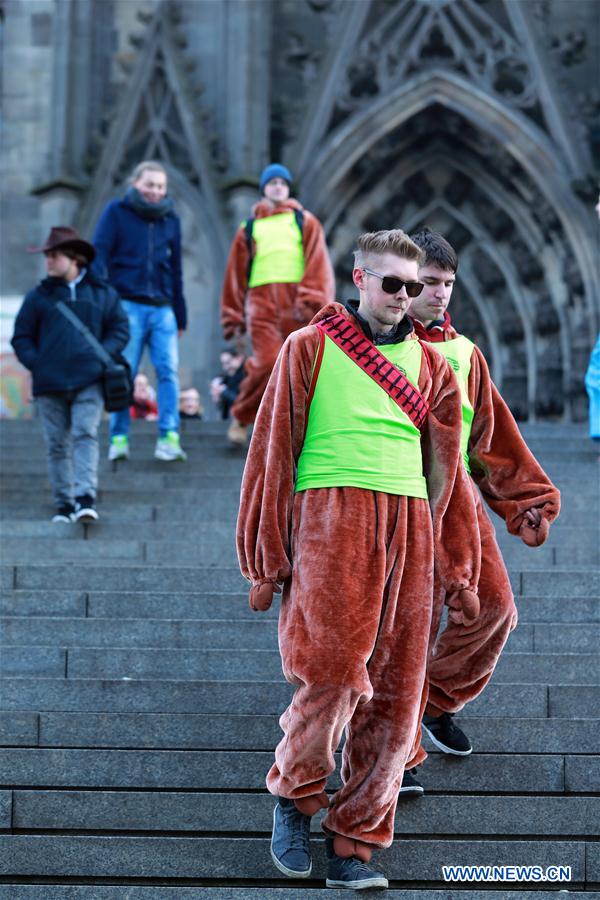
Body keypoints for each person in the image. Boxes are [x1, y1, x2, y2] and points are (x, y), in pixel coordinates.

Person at [237, 229, 482, 889]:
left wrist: (458, 567)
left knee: (399, 698)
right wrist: (265, 559)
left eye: (412, 286)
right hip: (330, 519)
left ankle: (355, 842)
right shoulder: (307, 348)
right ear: (359, 279)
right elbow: (272, 454)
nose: (403, 297)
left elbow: (449, 476)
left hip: (410, 526)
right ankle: (294, 796)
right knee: (334, 676)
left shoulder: (434, 368)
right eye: (390, 283)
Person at [408, 227, 560, 766]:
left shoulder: (466, 352)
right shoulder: (375, 344)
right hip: (402, 497)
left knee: (495, 606)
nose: (440, 293)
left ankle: (429, 701)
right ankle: (392, 749)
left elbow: (490, 440)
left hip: (462, 503)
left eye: (448, 283)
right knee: (408, 626)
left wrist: (526, 503)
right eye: (429, 282)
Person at [11, 226, 129, 523]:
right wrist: (38, 363)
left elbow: (120, 329)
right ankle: (63, 505)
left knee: (85, 434)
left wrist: (101, 357)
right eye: (47, 256)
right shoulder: (37, 297)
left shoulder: (103, 293)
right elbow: (21, 338)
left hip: (89, 380)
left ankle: (85, 499)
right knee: (57, 445)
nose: (48, 261)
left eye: (54, 255)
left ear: (75, 258)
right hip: (48, 384)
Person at [220, 163, 335, 445]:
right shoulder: (248, 228)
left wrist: (312, 298)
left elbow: (317, 261)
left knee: (304, 366)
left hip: (296, 304)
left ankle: (300, 428)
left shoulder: (305, 221)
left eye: (282, 183)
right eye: (272, 183)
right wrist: (232, 316)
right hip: (261, 305)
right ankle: (241, 415)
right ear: (263, 189)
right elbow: (235, 275)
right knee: (266, 363)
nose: (277, 187)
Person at [92, 159, 187, 462]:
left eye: (160, 186)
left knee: (168, 372)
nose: (155, 191)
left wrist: (180, 313)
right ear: (136, 184)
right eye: (150, 185)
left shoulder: (170, 220)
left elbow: (176, 271)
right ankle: (118, 437)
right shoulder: (116, 212)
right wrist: (105, 299)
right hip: (127, 304)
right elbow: (99, 255)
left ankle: (169, 436)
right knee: (125, 373)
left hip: (162, 308)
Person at [210, 347, 246, 420]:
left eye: (228, 362)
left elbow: (244, 403)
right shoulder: (226, 379)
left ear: (239, 358)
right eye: (223, 364)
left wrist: (224, 391)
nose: (226, 367)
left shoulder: (248, 376)